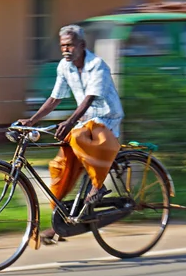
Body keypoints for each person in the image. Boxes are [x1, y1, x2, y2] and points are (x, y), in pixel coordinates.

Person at [17, 24, 124, 245]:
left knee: (75, 136)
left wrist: (69, 121)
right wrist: (32, 121)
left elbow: (89, 99)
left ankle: (98, 184)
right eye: (63, 46)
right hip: (84, 124)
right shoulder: (64, 67)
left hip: (106, 120)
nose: (66, 49)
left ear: (82, 46)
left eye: (70, 45)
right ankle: (61, 222)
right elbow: (55, 98)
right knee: (60, 166)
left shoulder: (97, 66)